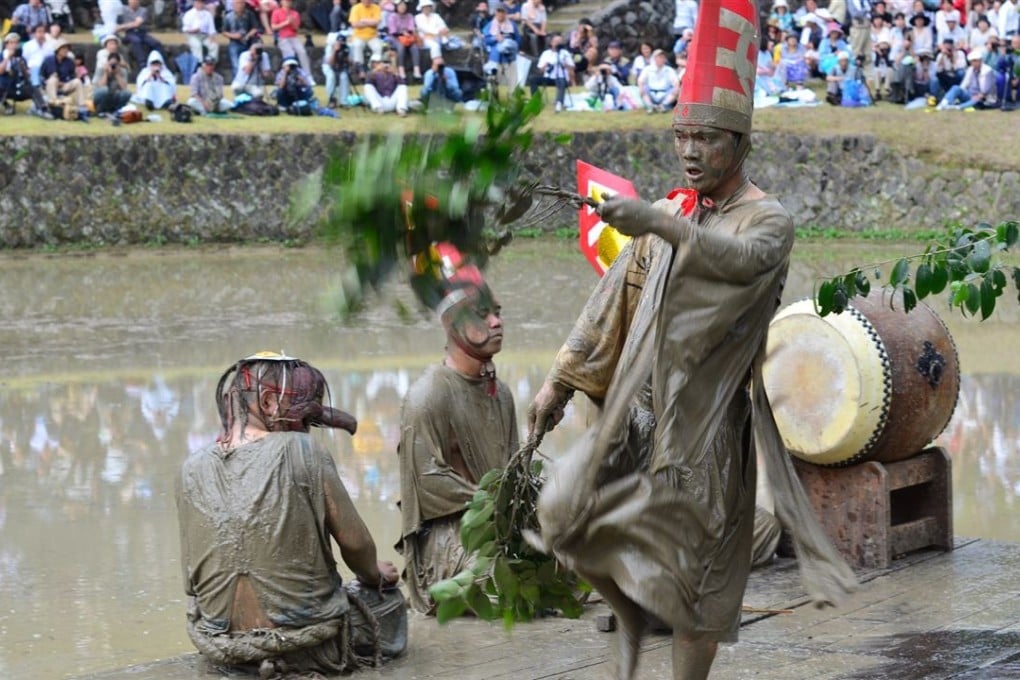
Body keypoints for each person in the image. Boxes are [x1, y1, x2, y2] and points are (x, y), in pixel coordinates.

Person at [528, 1, 857, 677]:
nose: (689, 152)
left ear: (738, 143)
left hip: (706, 431)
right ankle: (627, 610)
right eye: (681, 137)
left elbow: (728, 262)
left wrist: (655, 218)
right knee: (561, 512)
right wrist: (560, 380)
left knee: (696, 585)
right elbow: (613, 295)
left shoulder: (767, 223)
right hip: (637, 412)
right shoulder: (677, 212)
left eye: (705, 138)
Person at [177, 352, 407, 675]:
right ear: (269, 403)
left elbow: (192, 583)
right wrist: (374, 575)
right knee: (390, 602)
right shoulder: (305, 451)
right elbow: (356, 546)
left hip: (224, 648)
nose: (306, 428)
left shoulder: (190, 468)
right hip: (306, 646)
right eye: (305, 415)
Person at [397, 245, 517, 614]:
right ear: (453, 324)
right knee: (501, 577)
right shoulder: (428, 393)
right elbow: (429, 485)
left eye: (497, 313)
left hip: (502, 520)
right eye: (483, 315)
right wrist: (492, 504)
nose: (496, 323)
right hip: (451, 535)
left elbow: (514, 467)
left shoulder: (502, 393)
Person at [116, 0, 167, 74]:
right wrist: (124, 26)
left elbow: (137, 24)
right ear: (128, 3)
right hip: (129, 33)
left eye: (135, 2)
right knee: (136, 41)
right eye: (132, 2)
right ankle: (142, 63)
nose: (133, 4)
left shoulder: (143, 10)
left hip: (141, 32)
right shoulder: (123, 9)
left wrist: (123, 26)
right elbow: (117, 27)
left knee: (156, 43)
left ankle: (161, 61)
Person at [528, 31, 573, 111]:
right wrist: (546, 65)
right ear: (552, 43)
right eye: (556, 42)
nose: (558, 44)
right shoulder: (546, 53)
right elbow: (540, 70)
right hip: (549, 77)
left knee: (561, 81)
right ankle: (536, 101)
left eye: (560, 42)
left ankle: (559, 103)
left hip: (561, 77)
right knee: (532, 79)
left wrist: (564, 63)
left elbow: (572, 67)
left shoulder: (565, 53)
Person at [39, 38, 85, 112]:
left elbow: (72, 77)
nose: (66, 50)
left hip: (64, 85)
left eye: (67, 49)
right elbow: (41, 75)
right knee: (53, 79)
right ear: (58, 49)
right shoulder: (48, 60)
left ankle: (82, 106)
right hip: (50, 86)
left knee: (77, 81)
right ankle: (55, 104)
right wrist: (46, 81)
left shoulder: (70, 62)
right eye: (63, 48)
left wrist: (65, 82)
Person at [271, 0, 312, 77]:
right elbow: (273, 27)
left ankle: (308, 76)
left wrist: (292, 22)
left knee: (302, 52)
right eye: (286, 1)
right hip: (282, 37)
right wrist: (286, 23)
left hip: (293, 37)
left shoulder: (295, 13)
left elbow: (296, 28)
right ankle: (289, 75)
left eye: (289, 1)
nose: (288, 3)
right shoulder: (276, 12)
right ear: (281, 2)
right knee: (290, 53)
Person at [221, 0, 261, 79]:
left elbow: (255, 28)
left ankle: (248, 79)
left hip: (248, 42)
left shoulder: (249, 14)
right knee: (235, 63)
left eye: (240, 3)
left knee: (248, 61)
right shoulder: (228, 16)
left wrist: (248, 35)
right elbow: (224, 31)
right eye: (237, 3)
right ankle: (238, 80)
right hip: (234, 42)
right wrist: (234, 36)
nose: (239, 5)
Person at [387, 0, 421, 80]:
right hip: (395, 37)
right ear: (397, 7)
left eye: (404, 5)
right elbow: (393, 31)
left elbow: (411, 28)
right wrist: (402, 33)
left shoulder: (409, 16)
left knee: (414, 47)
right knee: (401, 46)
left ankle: (416, 70)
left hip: (408, 37)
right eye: (400, 5)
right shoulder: (392, 16)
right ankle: (401, 69)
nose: (402, 7)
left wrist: (407, 34)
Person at [637, 48, 679, 112]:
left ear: (665, 59)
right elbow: (640, 80)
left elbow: (676, 81)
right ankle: (650, 106)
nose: (660, 59)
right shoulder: (648, 69)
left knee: (676, 90)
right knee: (643, 88)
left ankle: (664, 105)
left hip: (665, 94)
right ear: (654, 58)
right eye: (658, 57)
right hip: (651, 93)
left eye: (662, 57)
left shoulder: (669, 70)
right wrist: (641, 87)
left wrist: (676, 88)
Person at [482, 4, 520, 75]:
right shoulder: (490, 25)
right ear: (495, 12)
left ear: (506, 13)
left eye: (502, 12)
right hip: (496, 47)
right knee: (498, 47)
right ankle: (493, 67)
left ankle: (492, 64)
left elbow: (517, 38)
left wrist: (518, 49)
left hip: (510, 46)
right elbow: (486, 41)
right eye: (498, 11)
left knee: (504, 43)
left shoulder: (512, 24)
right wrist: (495, 38)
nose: (500, 14)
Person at [349, 0, 384, 75]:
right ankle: (360, 68)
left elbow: (377, 22)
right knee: (357, 46)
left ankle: (373, 67)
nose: (367, 1)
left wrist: (363, 20)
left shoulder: (376, 8)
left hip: (373, 36)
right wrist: (370, 23)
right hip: (359, 36)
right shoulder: (355, 8)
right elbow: (355, 24)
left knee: (378, 47)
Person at [182, 0, 220, 65]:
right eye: (198, 3)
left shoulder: (208, 14)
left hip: (205, 36)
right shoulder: (188, 14)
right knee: (197, 45)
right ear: (194, 3)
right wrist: (192, 30)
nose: (200, 4)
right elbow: (185, 28)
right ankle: (199, 64)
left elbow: (212, 28)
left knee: (214, 46)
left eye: (201, 3)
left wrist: (212, 36)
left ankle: (211, 63)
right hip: (192, 35)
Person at [323, 31, 353, 106]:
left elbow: (351, 63)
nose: (341, 43)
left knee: (344, 77)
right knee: (331, 77)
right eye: (339, 41)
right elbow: (330, 62)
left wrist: (346, 57)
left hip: (342, 66)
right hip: (329, 66)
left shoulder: (348, 48)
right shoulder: (330, 47)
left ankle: (343, 101)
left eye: (342, 42)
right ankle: (332, 99)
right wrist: (335, 51)